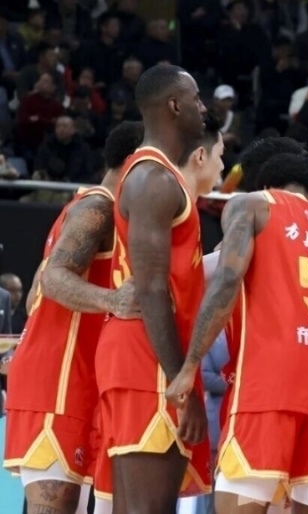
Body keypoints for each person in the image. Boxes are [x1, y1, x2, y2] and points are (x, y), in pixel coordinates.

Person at [165, 153, 308, 514]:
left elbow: (226, 278)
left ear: (265, 187)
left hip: (267, 388)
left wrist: (189, 365)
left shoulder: (254, 206)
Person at [94, 64, 223, 512]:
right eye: (196, 98)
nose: (202, 108)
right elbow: (151, 289)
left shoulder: (157, 175)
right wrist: (181, 384)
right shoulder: (154, 179)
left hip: (141, 355)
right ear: (174, 105)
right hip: (147, 360)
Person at [3, 122, 143, 514]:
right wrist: (113, 300)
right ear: (134, 164)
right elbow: (51, 280)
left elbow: (35, 293)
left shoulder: (90, 208)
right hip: (58, 380)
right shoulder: (98, 207)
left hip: (77, 378)